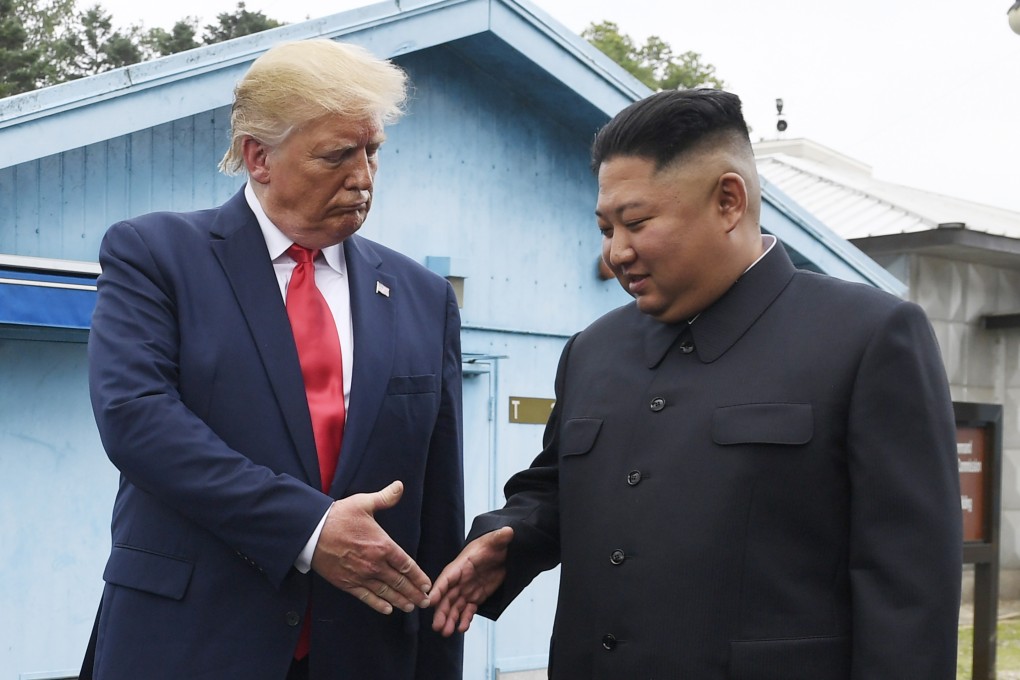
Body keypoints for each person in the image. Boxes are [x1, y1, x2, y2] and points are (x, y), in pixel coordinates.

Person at [430, 89, 962, 679]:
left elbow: (910, 587)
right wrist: (511, 537)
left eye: (635, 223)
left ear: (728, 201)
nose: (616, 253)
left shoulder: (867, 337)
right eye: (606, 228)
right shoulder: (592, 350)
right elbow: (554, 488)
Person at [82, 39, 464, 680]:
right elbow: (136, 419)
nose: (363, 178)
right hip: (189, 644)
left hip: (365, 653)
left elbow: (435, 504)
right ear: (259, 157)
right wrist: (311, 528)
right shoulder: (155, 254)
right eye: (337, 155)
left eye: (372, 152)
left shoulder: (423, 297)